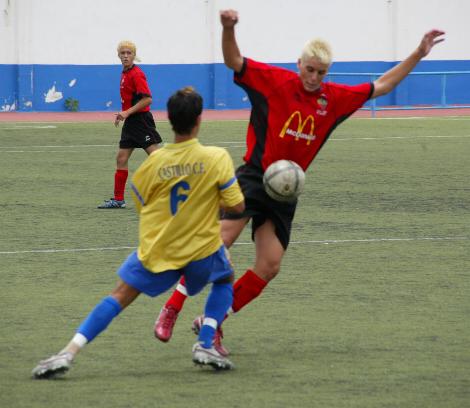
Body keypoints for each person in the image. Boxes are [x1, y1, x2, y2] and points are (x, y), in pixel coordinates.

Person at [154, 9, 446, 356]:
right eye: (310, 69)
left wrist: (417, 53)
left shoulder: (334, 99)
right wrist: (228, 28)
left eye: (321, 73)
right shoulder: (274, 82)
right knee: (220, 242)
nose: (314, 77)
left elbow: (382, 85)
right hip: (253, 176)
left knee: (269, 265)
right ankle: (172, 306)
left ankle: (212, 324)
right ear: (299, 64)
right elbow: (234, 60)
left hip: (286, 192)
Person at [32, 87, 245, 379]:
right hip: (202, 249)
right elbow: (236, 205)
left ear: (169, 120)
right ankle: (205, 342)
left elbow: (142, 203)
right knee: (225, 277)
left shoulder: (152, 164)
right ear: (199, 120)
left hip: (159, 249)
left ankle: (68, 352)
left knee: (118, 296)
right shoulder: (217, 157)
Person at [98, 40, 162, 209]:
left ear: (134, 55)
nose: (126, 56)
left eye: (129, 53)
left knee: (157, 159)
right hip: (131, 122)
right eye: (123, 53)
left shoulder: (136, 74)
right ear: (118, 55)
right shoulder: (124, 73)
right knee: (121, 158)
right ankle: (118, 200)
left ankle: (175, 192)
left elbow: (147, 98)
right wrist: (123, 114)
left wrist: (126, 112)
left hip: (141, 121)